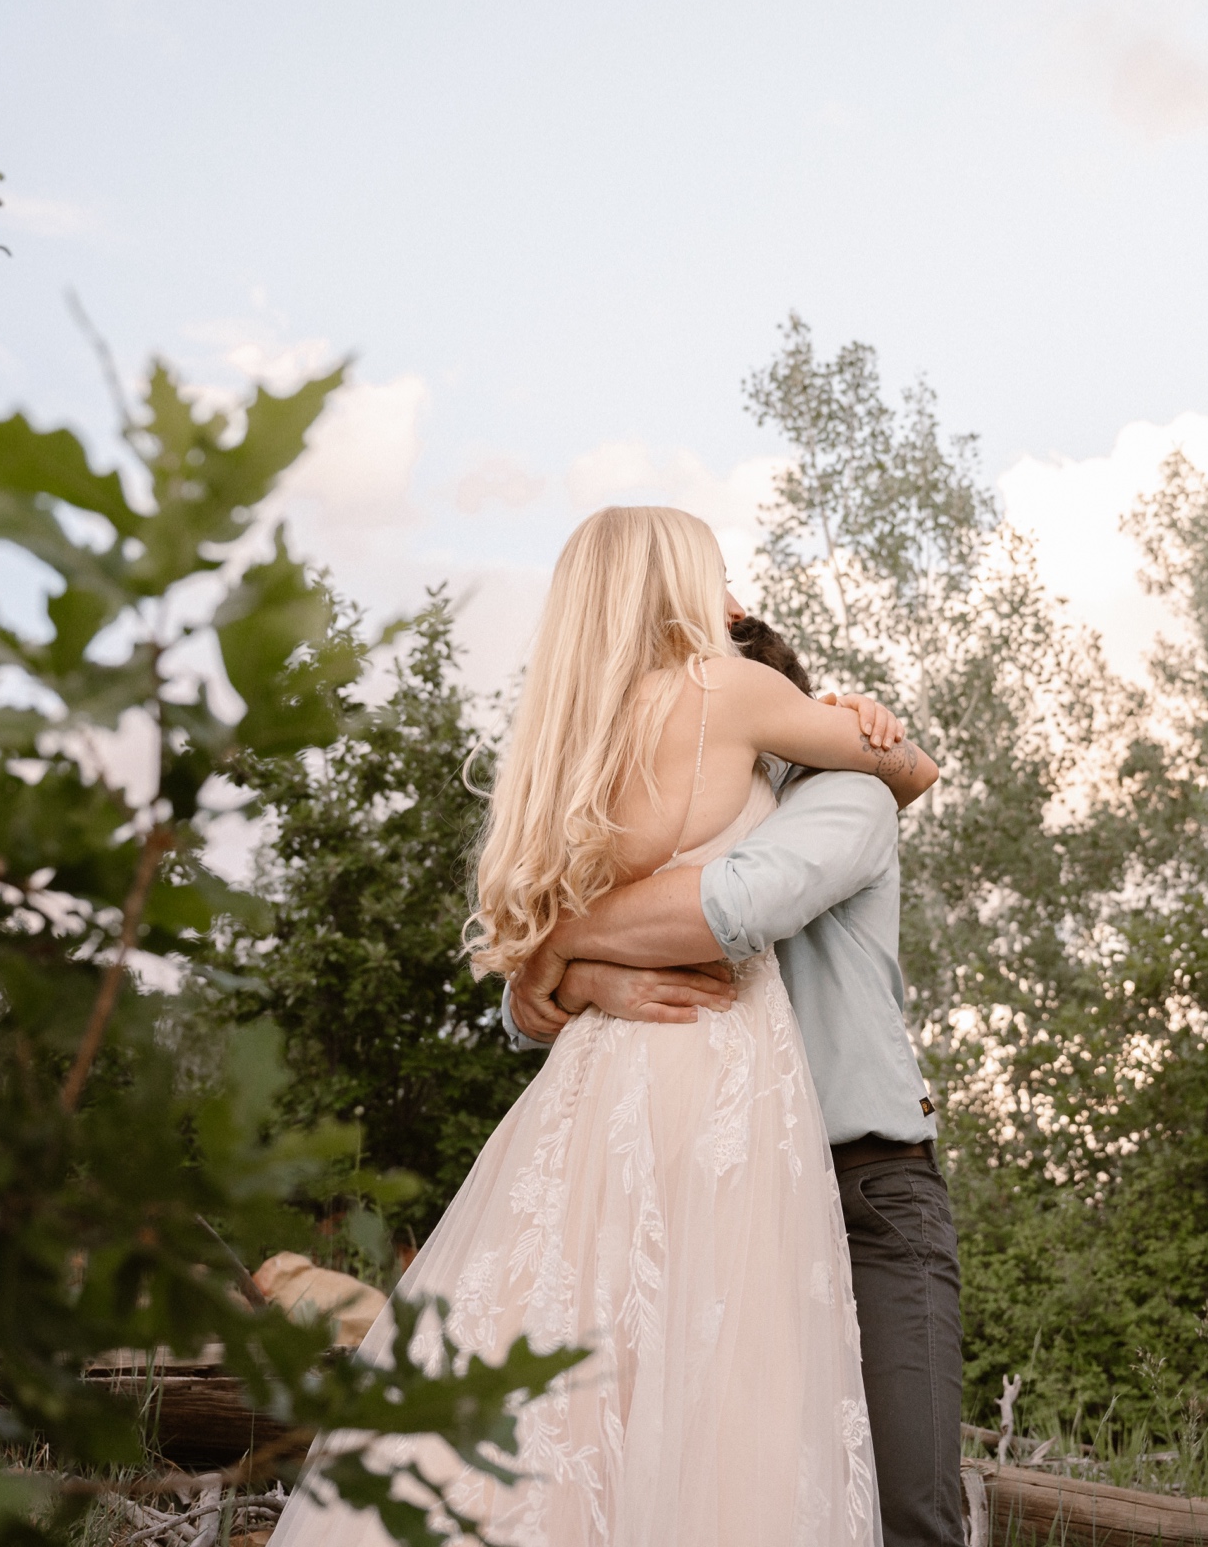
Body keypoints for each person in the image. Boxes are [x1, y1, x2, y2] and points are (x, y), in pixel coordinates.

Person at [270, 506, 934, 1547]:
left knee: (571, 1387)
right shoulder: (731, 697)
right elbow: (903, 777)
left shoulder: (566, 744)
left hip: (606, 1095)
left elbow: (546, 956)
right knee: (700, 1406)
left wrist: (558, 956)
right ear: (677, 590)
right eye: (716, 575)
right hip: (714, 1080)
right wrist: (871, 724)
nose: (733, 599)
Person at [504, 611, 966, 1547]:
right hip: (705, 1192)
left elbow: (742, 907)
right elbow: (519, 1015)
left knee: (906, 1505)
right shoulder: (663, 829)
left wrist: (553, 941)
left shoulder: (849, 796)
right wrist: (567, 978)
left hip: (862, 1187)